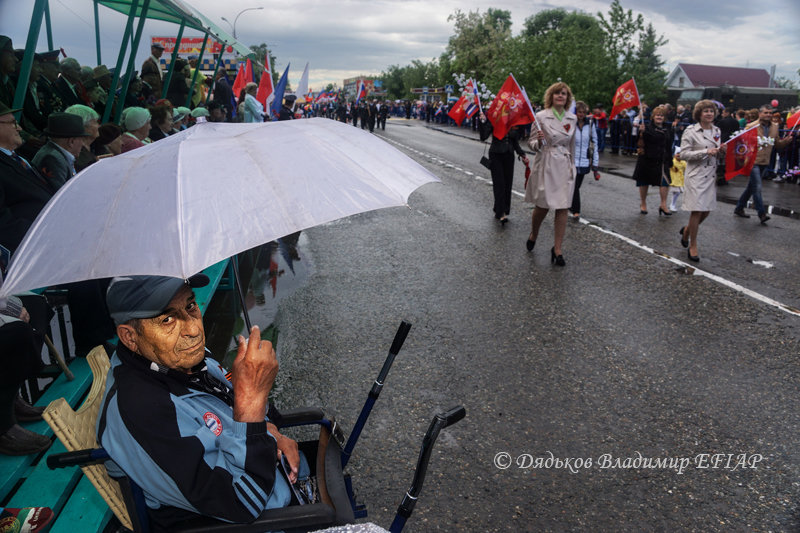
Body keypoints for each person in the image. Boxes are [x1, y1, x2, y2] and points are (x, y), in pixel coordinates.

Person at [98, 275, 304, 530]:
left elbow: (236, 404)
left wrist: (268, 430)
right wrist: (252, 399)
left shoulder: (181, 360)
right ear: (130, 337)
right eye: (167, 319)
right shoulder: (142, 409)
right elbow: (242, 504)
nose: (194, 329)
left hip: (283, 485)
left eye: (191, 307)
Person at [524, 81, 577, 266]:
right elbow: (531, 144)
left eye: (563, 93)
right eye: (557, 93)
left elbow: (572, 145)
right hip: (547, 164)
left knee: (563, 207)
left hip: (564, 164)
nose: (560, 96)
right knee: (543, 206)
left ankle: (557, 249)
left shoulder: (572, 118)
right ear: (551, 97)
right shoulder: (540, 117)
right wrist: (538, 142)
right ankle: (534, 233)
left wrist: (573, 167)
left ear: (567, 97)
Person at [0, 103, 53, 253]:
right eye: (12, 123)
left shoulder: (18, 158)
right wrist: (44, 236)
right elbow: (3, 223)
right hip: (33, 246)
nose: (19, 128)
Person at [679, 100, 724, 262]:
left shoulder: (717, 130)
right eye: (706, 111)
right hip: (696, 175)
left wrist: (721, 151)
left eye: (711, 111)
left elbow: (717, 153)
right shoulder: (691, 131)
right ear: (699, 114)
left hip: (711, 175)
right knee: (697, 210)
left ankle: (686, 231)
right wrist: (706, 151)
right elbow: (683, 154)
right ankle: (693, 245)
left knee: (706, 210)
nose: (709, 114)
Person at [733, 104, 795, 224]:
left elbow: (777, 144)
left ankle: (739, 207)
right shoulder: (751, 126)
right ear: (760, 113)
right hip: (752, 161)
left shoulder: (775, 127)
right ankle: (761, 213)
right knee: (757, 187)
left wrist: (785, 142)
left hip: (764, 161)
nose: (768, 115)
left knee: (751, 187)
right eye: (765, 113)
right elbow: (742, 144)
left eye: (770, 113)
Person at [478, 114, 529, 225]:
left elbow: (515, 142)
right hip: (496, 155)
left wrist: (522, 154)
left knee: (507, 184)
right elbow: (483, 137)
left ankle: (502, 208)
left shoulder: (512, 121)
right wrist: (482, 122)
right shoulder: (493, 119)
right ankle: (501, 213)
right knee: (499, 184)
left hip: (509, 155)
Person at [31, 112, 89, 193]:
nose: (83, 144)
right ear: (71, 142)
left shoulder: (56, 154)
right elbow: (62, 195)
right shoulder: (52, 158)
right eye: (82, 139)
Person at [632, 105, 673, 215]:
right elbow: (638, 142)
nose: (659, 117)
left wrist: (670, 161)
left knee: (665, 182)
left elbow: (668, 146)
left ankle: (663, 205)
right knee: (644, 182)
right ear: (653, 117)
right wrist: (641, 132)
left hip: (662, 160)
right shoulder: (647, 128)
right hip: (647, 159)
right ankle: (643, 203)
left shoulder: (667, 129)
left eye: (661, 115)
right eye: (657, 115)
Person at [568, 102, 599, 220]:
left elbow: (594, 142)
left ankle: (570, 205)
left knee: (576, 186)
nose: (581, 114)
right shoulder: (570, 124)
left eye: (583, 112)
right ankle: (576, 211)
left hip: (584, 161)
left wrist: (595, 163)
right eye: (579, 112)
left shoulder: (590, 124)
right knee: (574, 186)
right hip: (572, 161)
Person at [668, 147, 686, 213]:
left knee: (676, 193)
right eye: (677, 153)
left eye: (680, 153)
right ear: (674, 154)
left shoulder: (683, 162)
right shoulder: (673, 162)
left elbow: (686, 168)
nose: (679, 155)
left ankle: (672, 204)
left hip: (680, 180)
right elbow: (672, 167)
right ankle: (672, 205)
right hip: (674, 179)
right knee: (677, 192)